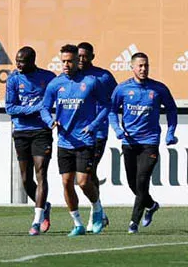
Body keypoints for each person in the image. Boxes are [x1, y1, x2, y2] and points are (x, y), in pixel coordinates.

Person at [40, 44, 109, 237]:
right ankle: (77, 223)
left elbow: (106, 105)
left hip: (85, 140)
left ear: (77, 61)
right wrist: (50, 121)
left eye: (69, 61)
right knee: (66, 182)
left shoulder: (91, 82)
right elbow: (44, 107)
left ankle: (97, 208)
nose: (66, 65)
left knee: (84, 181)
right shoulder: (55, 84)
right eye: (63, 61)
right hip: (64, 141)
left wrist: (93, 125)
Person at [108, 52, 178, 234]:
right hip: (129, 142)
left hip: (150, 142)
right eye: (140, 65)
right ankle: (151, 205)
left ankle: (133, 223)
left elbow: (171, 109)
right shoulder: (122, 89)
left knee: (142, 180)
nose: (143, 69)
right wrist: (117, 129)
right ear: (132, 67)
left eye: (146, 65)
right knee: (133, 183)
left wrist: (170, 133)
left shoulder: (158, 88)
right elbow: (111, 110)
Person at [5, 46, 56, 236]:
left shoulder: (48, 77)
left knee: (41, 172)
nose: (18, 64)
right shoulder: (13, 79)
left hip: (41, 131)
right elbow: (10, 108)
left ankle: (37, 220)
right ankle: (44, 206)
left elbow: (55, 101)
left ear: (32, 60)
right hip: (21, 132)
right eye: (17, 61)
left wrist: (49, 115)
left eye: (22, 61)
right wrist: (35, 109)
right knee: (26, 179)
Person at [77, 42, 117, 228]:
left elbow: (115, 100)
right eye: (79, 56)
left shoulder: (104, 76)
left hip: (98, 132)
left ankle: (96, 214)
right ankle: (100, 212)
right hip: (77, 133)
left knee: (88, 172)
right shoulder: (73, 76)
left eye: (85, 56)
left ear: (92, 56)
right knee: (86, 174)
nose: (81, 59)